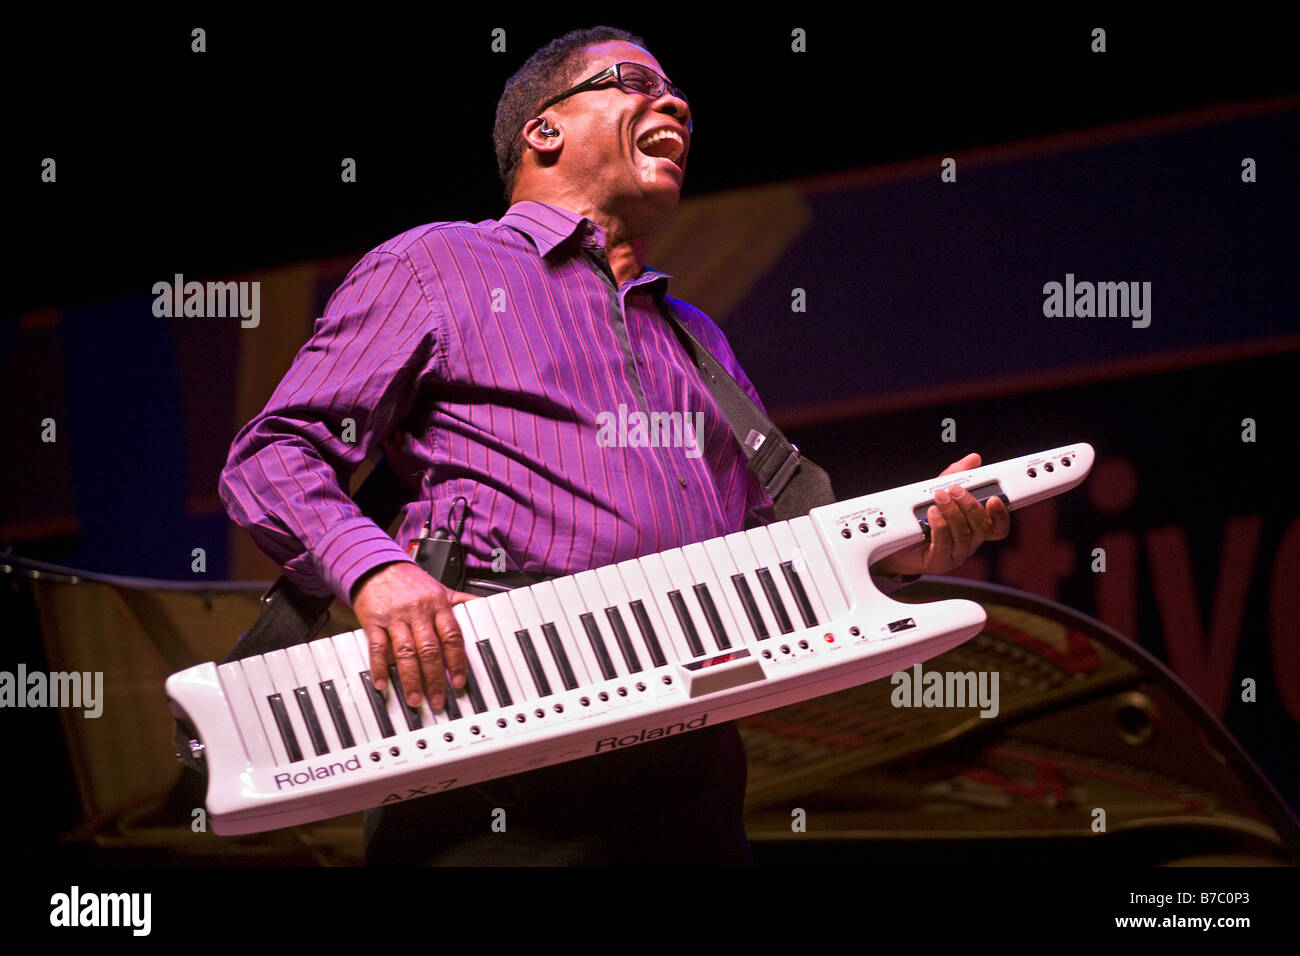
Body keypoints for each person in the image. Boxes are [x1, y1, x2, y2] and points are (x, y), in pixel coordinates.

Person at [218, 26, 1010, 865]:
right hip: (488, 737)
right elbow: (273, 455)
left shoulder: (694, 336)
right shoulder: (438, 265)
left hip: (690, 768)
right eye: (634, 81)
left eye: (677, 97)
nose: (674, 103)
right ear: (544, 131)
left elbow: (773, 547)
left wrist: (900, 550)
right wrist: (377, 572)